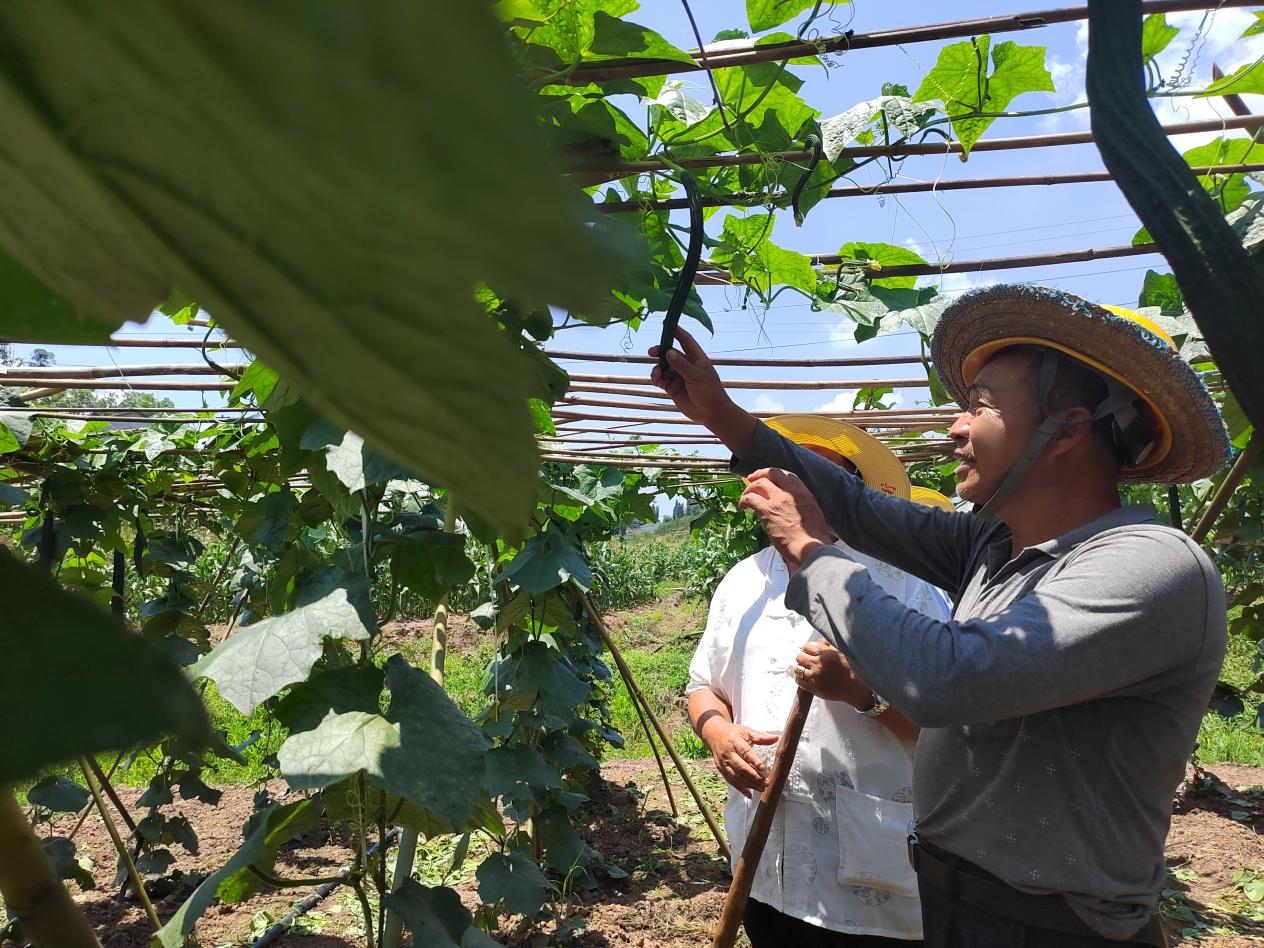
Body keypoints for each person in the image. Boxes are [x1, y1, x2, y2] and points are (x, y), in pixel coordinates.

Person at [652, 285, 1230, 947]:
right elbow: (857, 505)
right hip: (956, 902)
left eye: (979, 405)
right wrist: (725, 418)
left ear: (1067, 428)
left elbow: (945, 679)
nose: (955, 427)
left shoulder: (1151, 565)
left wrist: (809, 551)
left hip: (1056, 928)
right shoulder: (995, 547)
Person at [687, 416, 950, 947]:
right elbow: (702, 687)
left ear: (849, 491)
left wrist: (861, 692)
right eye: (780, 477)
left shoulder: (905, 585)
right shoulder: (743, 582)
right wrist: (717, 735)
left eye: (811, 480)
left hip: (868, 871)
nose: (789, 494)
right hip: (764, 860)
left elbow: (950, 728)